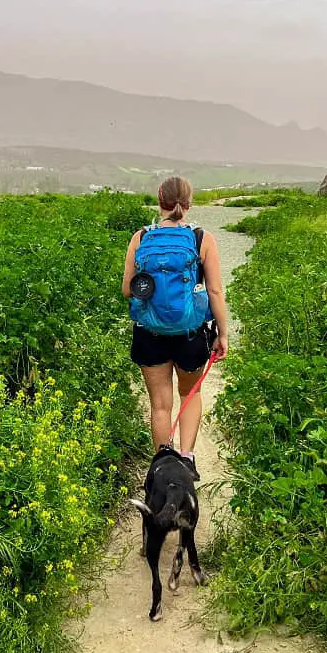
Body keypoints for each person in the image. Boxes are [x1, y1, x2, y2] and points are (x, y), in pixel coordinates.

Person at [122, 177, 229, 476]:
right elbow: (215, 292)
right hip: (191, 335)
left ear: (159, 199)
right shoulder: (201, 239)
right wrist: (223, 333)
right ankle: (187, 458)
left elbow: (128, 290)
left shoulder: (140, 238)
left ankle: (163, 466)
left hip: (150, 334)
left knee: (159, 405)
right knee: (190, 394)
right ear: (190, 203)